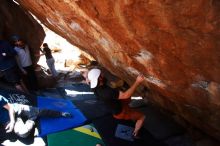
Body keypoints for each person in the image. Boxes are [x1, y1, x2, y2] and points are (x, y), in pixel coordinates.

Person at [88, 68, 146, 138]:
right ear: (99, 78)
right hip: (120, 112)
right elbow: (125, 95)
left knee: (127, 97)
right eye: (101, 74)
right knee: (142, 117)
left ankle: (131, 106)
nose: (103, 74)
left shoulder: (95, 88)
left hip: (116, 104)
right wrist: (137, 82)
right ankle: (135, 133)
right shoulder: (107, 92)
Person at [0, 95, 72, 138]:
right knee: (23, 133)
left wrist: (12, 122)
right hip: (8, 120)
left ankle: (61, 113)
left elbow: (10, 107)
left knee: (40, 112)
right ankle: (32, 119)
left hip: (17, 109)